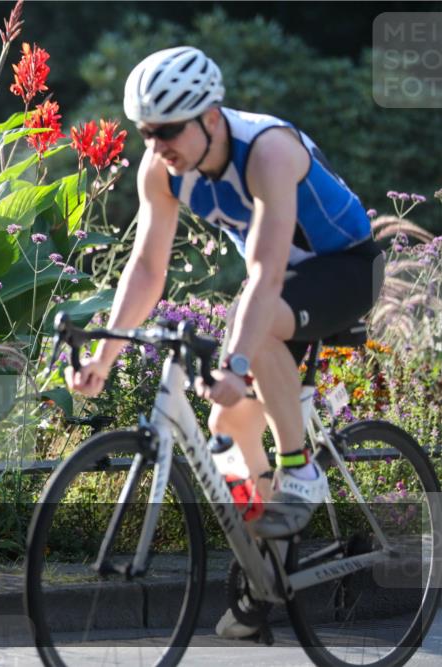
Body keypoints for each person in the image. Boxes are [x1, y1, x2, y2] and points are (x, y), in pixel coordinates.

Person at [66, 46, 384, 638]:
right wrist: (104, 360)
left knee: (251, 323)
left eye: (167, 131)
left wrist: (237, 360)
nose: (157, 146)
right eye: (145, 133)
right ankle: (270, 576)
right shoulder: (160, 170)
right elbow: (146, 269)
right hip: (284, 286)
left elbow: (263, 274)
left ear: (210, 117)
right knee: (228, 429)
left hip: (345, 267)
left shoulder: (269, 150)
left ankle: (301, 471)